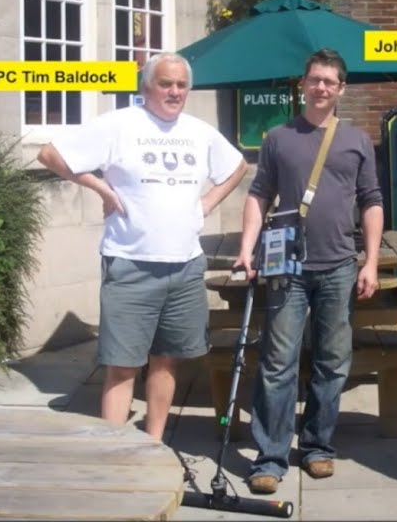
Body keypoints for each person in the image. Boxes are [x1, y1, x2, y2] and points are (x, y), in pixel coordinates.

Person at [36, 52, 247, 442]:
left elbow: (237, 167)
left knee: (166, 361)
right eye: (165, 84)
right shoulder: (119, 125)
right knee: (121, 366)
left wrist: (206, 203)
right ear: (146, 87)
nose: (174, 92)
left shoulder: (199, 132)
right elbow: (50, 154)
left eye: (181, 85)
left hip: (184, 266)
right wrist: (100, 186)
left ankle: (153, 444)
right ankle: (114, 456)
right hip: (130, 264)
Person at [239, 48, 384, 495]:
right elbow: (259, 194)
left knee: (332, 362)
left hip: (339, 264)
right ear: (302, 85)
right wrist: (247, 249)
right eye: (314, 79)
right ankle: (270, 455)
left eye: (330, 81)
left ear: (341, 89)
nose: (321, 87)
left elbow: (372, 201)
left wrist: (371, 261)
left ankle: (318, 446)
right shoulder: (278, 137)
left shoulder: (357, 140)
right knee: (276, 364)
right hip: (287, 268)